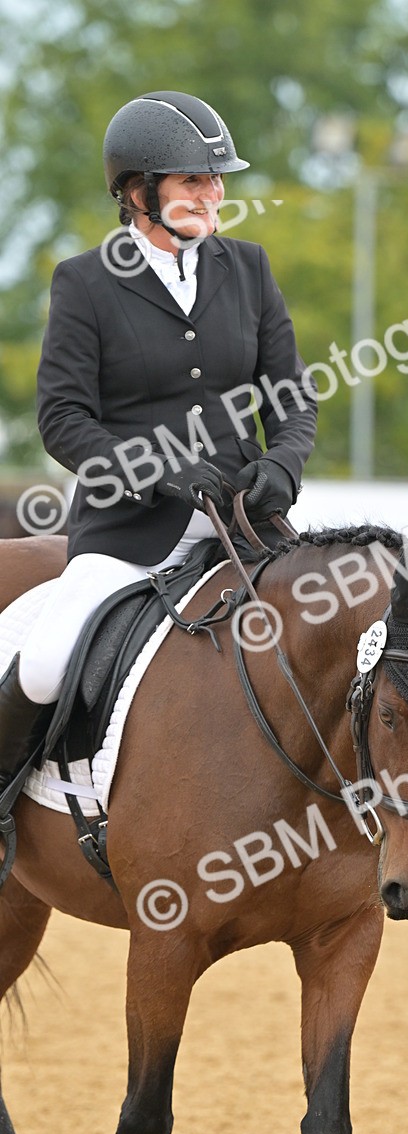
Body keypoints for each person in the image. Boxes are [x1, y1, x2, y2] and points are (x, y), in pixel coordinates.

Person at [0, 89, 318, 799]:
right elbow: (63, 418)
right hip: (128, 530)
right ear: (139, 191)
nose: (214, 193)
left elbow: (292, 400)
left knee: (338, 631)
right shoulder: (85, 283)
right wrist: (160, 474)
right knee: (49, 659)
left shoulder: (250, 268)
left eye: (218, 179)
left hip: (248, 522)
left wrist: (281, 467)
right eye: (194, 180)